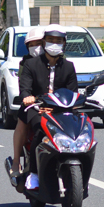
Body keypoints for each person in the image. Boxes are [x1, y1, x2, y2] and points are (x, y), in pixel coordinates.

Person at [17, 24, 77, 191]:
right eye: (50, 40)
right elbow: (25, 88)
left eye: (58, 41)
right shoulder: (31, 64)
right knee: (40, 131)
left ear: (64, 43)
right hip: (37, 110)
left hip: (61, 112)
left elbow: (73, 93)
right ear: (44, 42)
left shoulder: (69, 67)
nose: (54, 44)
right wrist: (28, 98)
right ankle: (34, 174)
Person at [8, 25, 45, 180]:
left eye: (38, 43)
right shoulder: (26, 64)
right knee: (23, 121)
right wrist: (28, 98)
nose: (35, 47)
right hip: (34, 104)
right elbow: (24, 87)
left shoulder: (61, 62)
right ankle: (16, 162)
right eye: (31, 45)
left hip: (56, 105)